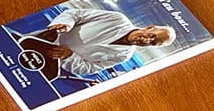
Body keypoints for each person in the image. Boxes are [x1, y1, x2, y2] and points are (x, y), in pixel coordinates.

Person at [17, 8, 176, 80]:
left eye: (153, 43)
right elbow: (76, 14)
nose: (147, 40)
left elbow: (89, 69)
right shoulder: (117, 19)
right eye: (152, 36)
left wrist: (69, 56)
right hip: (37, 41)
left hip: (50, 65)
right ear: (149, 27)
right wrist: (65, 24)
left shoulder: (124, 57)